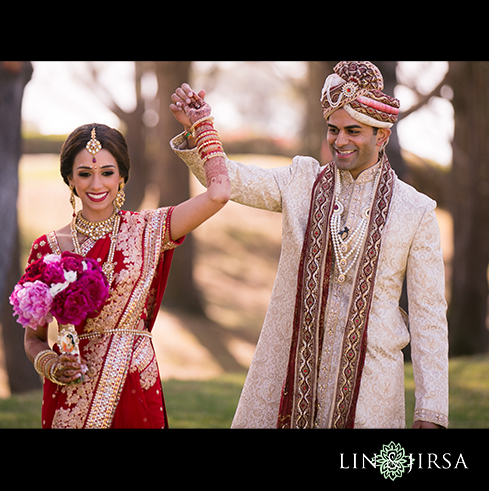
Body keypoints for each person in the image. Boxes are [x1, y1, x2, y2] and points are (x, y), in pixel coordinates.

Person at [170, 61, 449, 428]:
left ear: (381, 136)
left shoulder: (415, 210)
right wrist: (199, 130)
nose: (340, 140)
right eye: (333, 129)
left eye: (354, 130)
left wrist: (431, 412)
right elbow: (232, 181)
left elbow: (429, 320)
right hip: (292, 377)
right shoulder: (302, 182)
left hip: (371, 391)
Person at [21, 98, 230, 428]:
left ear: (121, 177)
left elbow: (218, 194)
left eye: (107, 172)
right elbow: (34, 338)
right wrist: (50, 363)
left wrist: (200, 125)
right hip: (72, 394)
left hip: (134, 380)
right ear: (70, 179)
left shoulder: (150, 229)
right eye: (85, 173)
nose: (96, 184)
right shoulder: (47, 248)